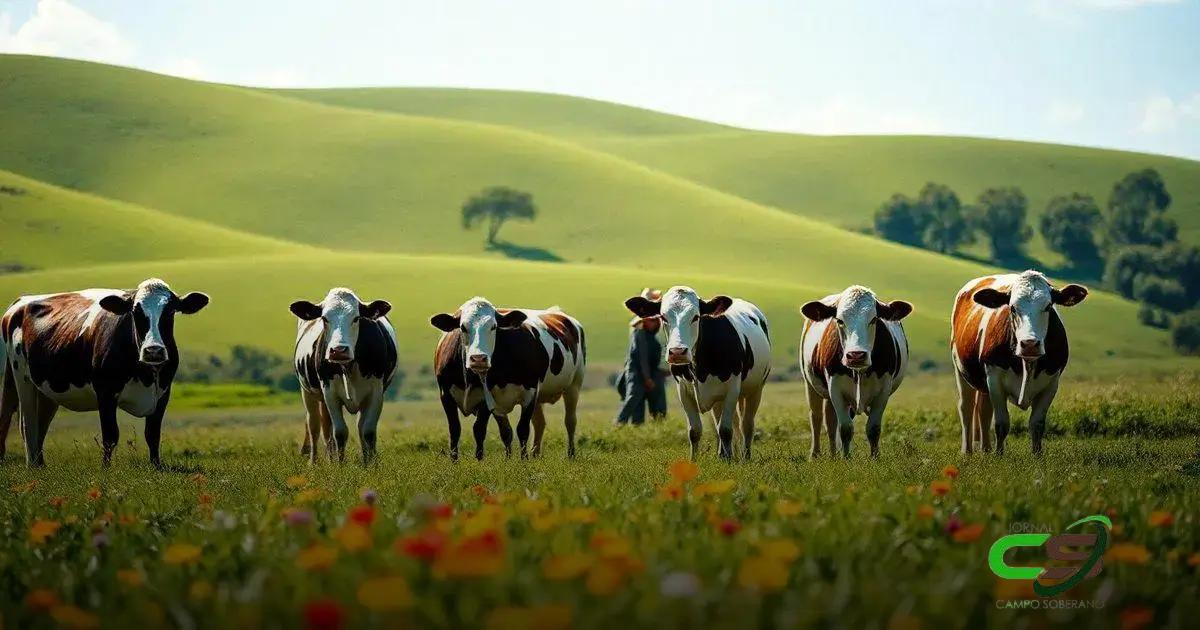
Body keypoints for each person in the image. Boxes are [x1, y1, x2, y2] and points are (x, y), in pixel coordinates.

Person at [615, 288, 667, 425]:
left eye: (656, 321)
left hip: (647, 374)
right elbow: (642, 357)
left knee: (654, 405)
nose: (655, 323)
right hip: (637, 373)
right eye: (652, 320)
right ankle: (618, 425)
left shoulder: (649, 336)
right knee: (633, 400)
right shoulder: (640, 334)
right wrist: (647, 378)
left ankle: (654, 430)